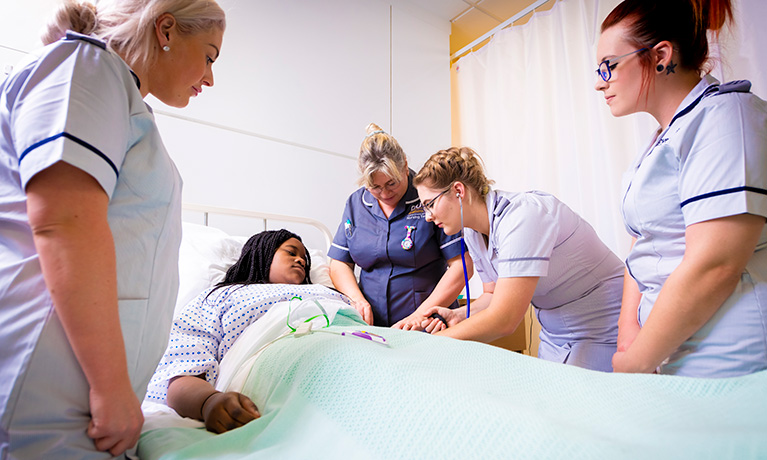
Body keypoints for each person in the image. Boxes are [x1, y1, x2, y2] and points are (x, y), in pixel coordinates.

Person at [0, 0, 225, 458]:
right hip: (49, 390)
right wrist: (112, 386)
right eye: (208, 55)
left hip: (81, 398)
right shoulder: (85, 67)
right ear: (166, 29)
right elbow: (64, 224)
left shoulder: (114, 93)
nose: (210, 77)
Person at [594, 0, 767, 377]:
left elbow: (714, 264)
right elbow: (643, 245)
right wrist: (629, 339)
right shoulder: (663, 138)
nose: (599, 81)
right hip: (662, 351)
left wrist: (638, 360)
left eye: (608, 65)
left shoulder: (726, 118)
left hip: (726, 359)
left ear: (660, 56)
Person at [414, 147, 623, 372]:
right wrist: (459, 315)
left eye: (430, 204)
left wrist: (432, 344)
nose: (427, 216)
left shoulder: (522, 217)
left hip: (602, 328)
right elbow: (492, 295)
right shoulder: (473, 233)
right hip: (556, 336)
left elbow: (504, 319)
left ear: (458, 190)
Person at [146, 229, 350, 434]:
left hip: (357, 342)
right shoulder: (222, 296)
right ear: (262, 253)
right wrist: (209, 402)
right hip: (291, 362)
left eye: (305, 259)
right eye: (291, 252)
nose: (301, 260)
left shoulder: (328, 293)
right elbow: (183, 370)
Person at [327, 123, 472, 328]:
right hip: (371, 325)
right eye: (375, 187)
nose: (385, 194)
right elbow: (339, 263)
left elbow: (462, 264)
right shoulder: (356, 203)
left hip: (426, 322)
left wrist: (419, 315)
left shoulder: (429, 196)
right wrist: (357, 299)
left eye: (391, 183)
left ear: (404, 166)